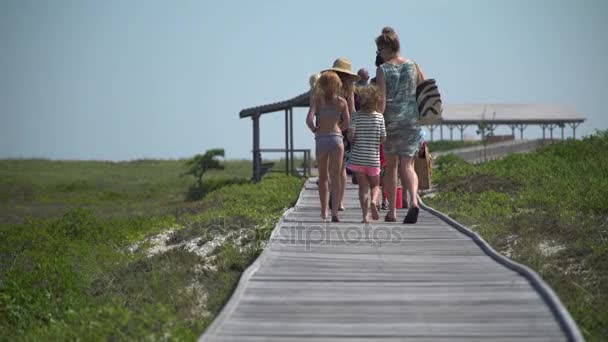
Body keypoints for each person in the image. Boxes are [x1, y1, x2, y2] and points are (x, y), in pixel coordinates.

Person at [375, 26, 425, 224]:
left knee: (392, 167)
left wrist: (376, 125)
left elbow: (382, 101)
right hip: (411, 122)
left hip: (391, 123)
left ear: (385, 49)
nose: (378, 54)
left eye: (379, 50)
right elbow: (424, 87)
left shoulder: (383, 69)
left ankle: (393, 212)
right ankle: (413, 201)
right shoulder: (413, 65)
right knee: (408, 165)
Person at [306, 71, 350, 222]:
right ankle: (335, 213)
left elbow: (309, 119)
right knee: (336, 176)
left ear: (321, 85)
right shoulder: (342, 101)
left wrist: (315, 129)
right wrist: (338, 128)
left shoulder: (317, 100)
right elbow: (347, 123)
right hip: (336, 139)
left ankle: (324, 211)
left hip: (321, 139)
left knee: (323, 177)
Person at [322, 58, 360, 211]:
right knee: (340, 167)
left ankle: (337, 198)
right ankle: (339, 200)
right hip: (342, 130)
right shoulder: (348, 88)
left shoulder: (330, 87)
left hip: (332, 130)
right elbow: (351, 111)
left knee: (334, 167)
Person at [347, 85, 386, 223]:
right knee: (375, 186)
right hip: (373, 159)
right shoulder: (379, 117)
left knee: (363, 188)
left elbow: (350, 136)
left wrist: (353, 138)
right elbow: (383, 138)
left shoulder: (355, 116)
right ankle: (374, 202)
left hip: (358, 158)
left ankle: (365, 216)